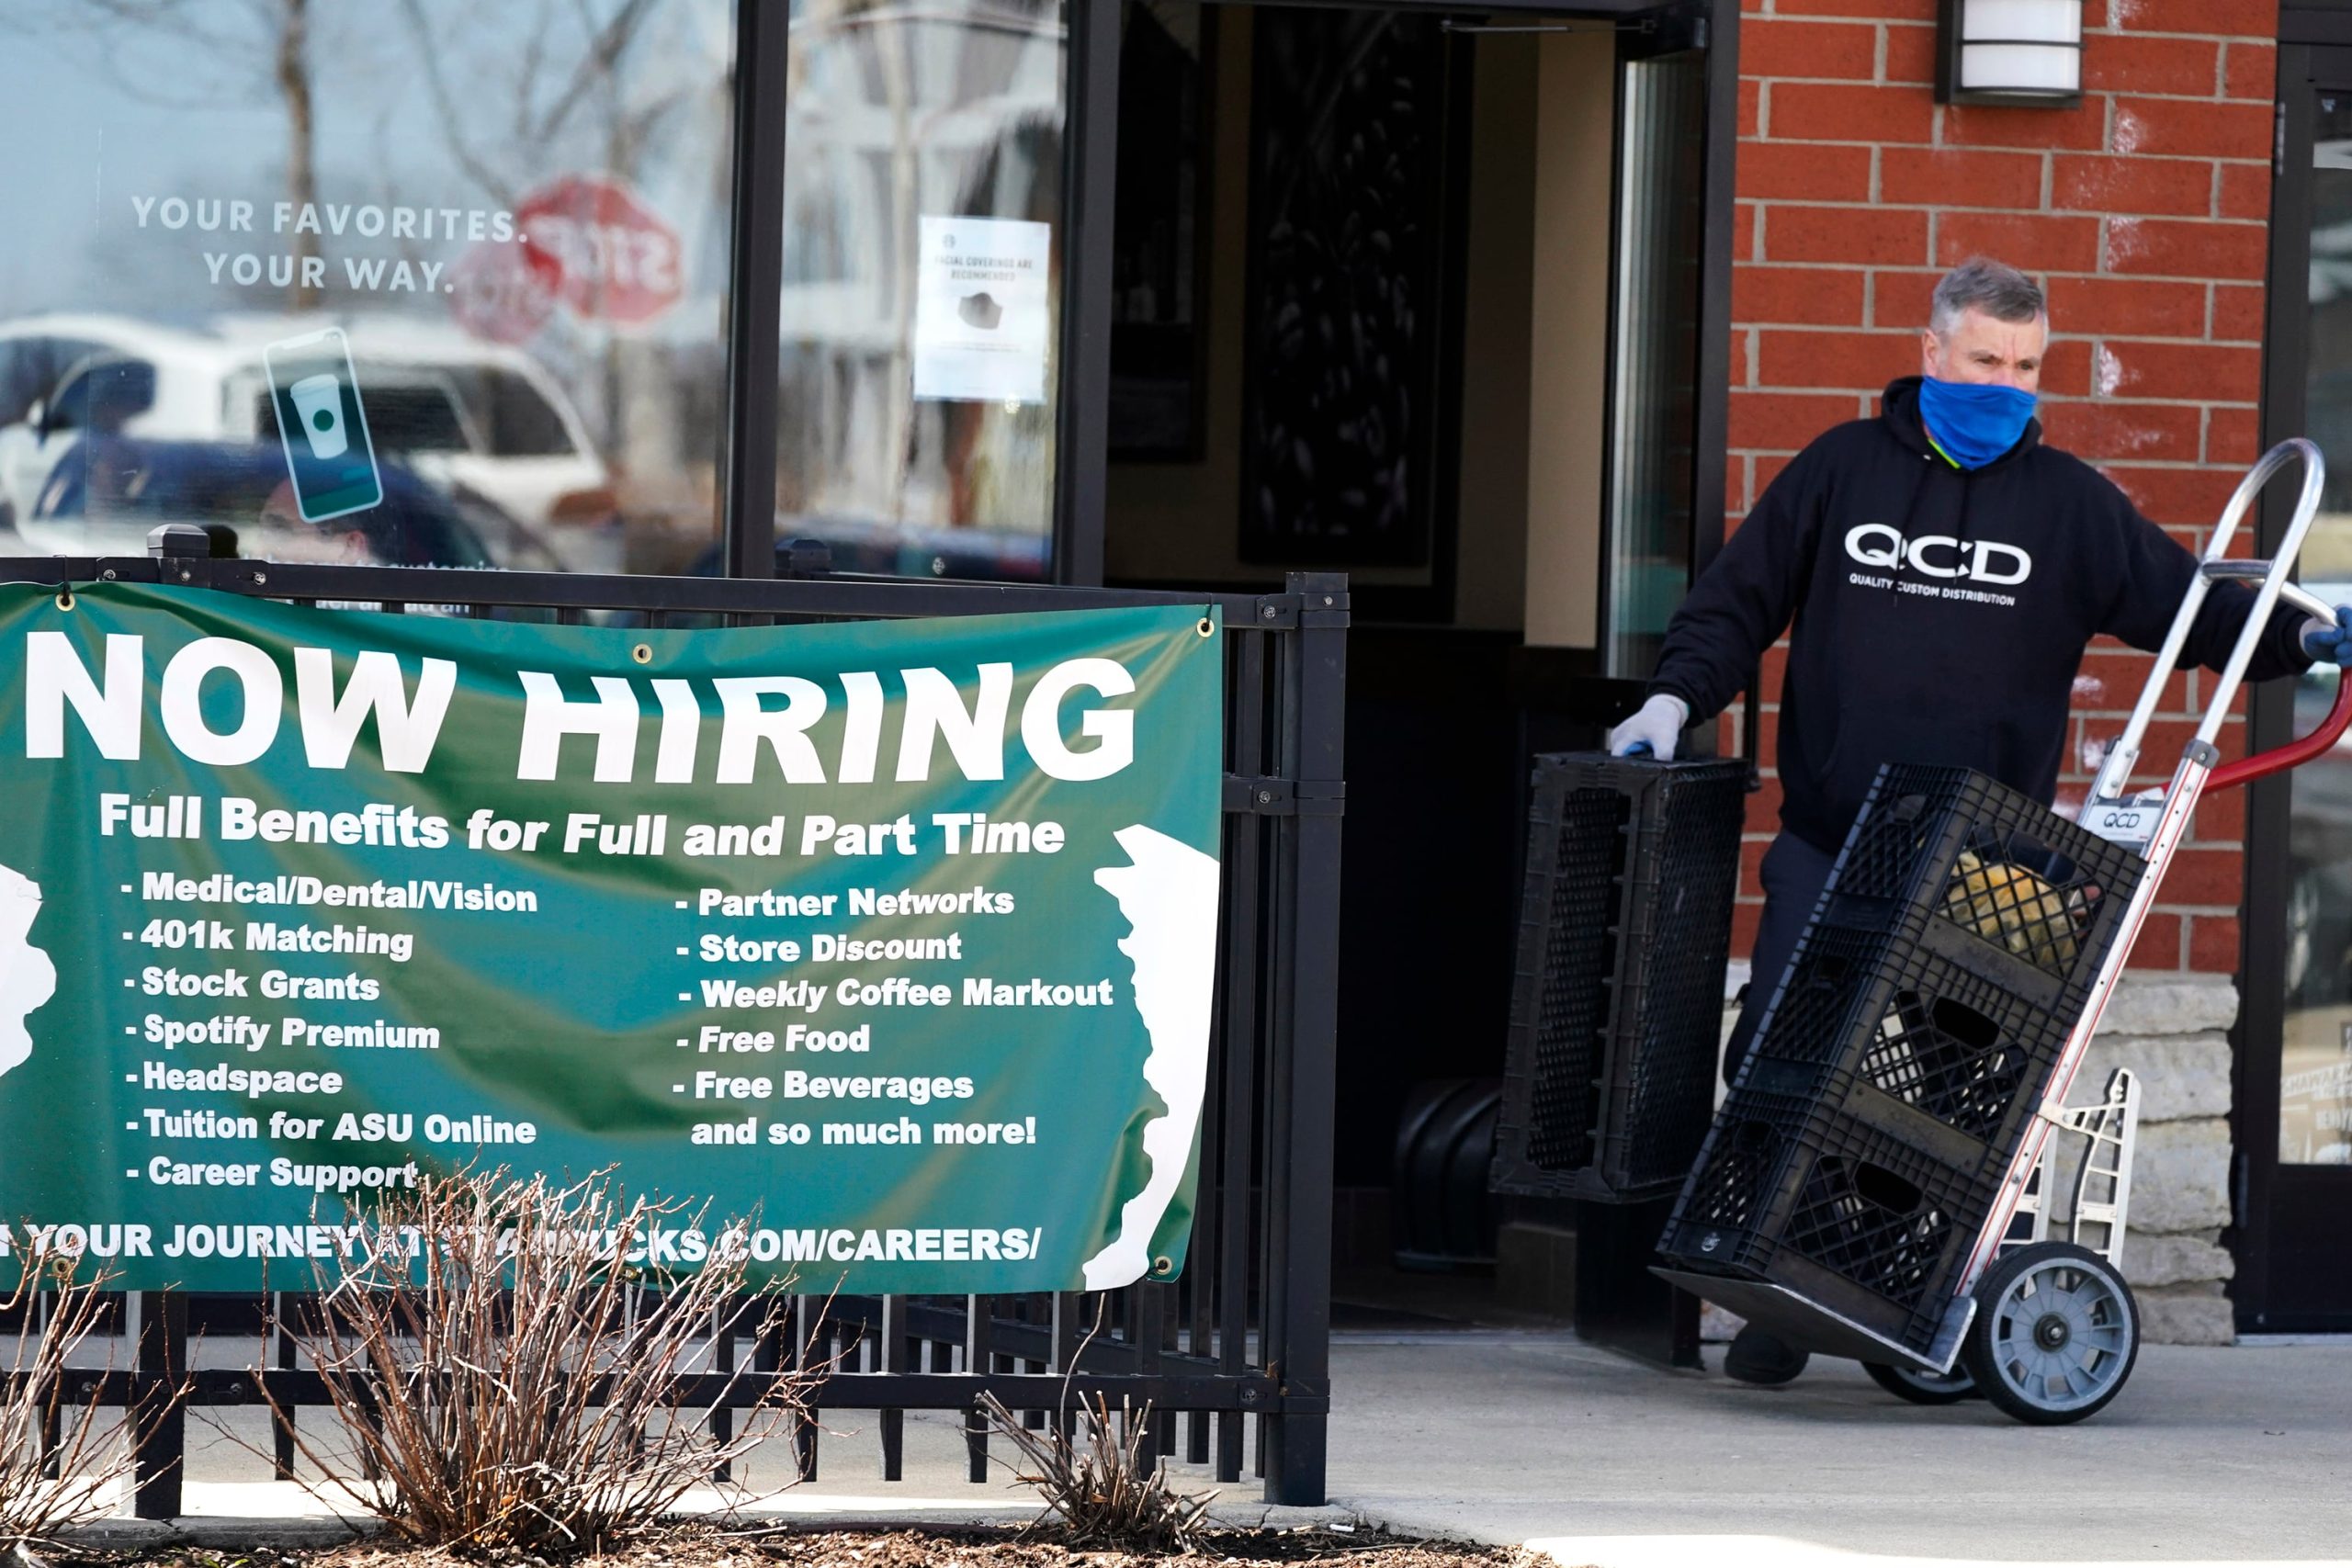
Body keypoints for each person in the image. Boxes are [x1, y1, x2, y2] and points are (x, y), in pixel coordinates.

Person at [1607, 256, 2352, 1387]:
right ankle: (1778, 1304)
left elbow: (2186, 609)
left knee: (1952, 1105)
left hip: (1989, 852)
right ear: (1931, 353)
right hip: (1837, 830)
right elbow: (1734, 602)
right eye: (1984, 361)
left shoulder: (2067, 505)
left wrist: (2306, 639)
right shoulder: (1840, 473)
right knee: (1783, 1058)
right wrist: (1670, 702)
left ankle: (1901, 1300)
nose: (2003, 384)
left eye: (2024, 366)